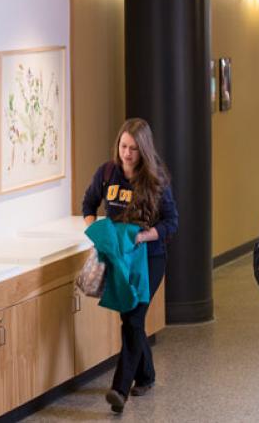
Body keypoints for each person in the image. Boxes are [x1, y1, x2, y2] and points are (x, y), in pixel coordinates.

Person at [81, 118, 178, 414]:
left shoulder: (156, 179)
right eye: (123, 146)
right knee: (131, 321)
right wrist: (98, 233)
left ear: (144, 150)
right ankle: (146, 375)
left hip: (148, 259)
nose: (126, 153)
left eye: (133, 149)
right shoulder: (107, 173)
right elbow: (88, 205)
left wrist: (142, 236)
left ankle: (119, 389)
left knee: (133, 320)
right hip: (117, 259)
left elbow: (171, 222)